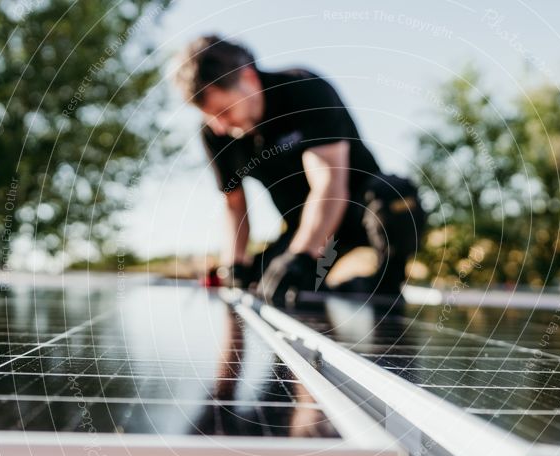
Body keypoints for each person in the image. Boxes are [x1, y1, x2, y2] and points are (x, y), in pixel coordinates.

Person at [173, 34, 424, 304]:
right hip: (302, 226)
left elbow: (329, 184)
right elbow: (233, 203)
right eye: (209, 117)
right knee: (266, 283)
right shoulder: (215, 132)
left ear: (248, 78)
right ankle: (329, 284)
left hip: (357, 208)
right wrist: (234, 265)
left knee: (396, 197)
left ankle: (385, 287)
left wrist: (303, 255)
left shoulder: (304, 90)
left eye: (224, 111)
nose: (220, 126)